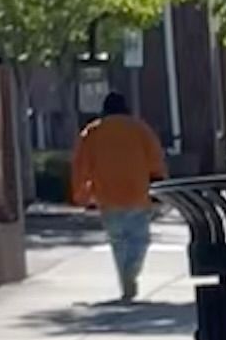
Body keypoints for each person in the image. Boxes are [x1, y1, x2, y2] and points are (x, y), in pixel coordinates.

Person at [71, 89, 167, 302]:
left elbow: (81, 165)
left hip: (107, 196)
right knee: (140, 239)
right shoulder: (140, 129)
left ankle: (126, 280)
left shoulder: (92, 132)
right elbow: (155, 160)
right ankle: (131, 272)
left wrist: (81, 193)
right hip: (138, 193)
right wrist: (159, 185)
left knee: (118, 241)